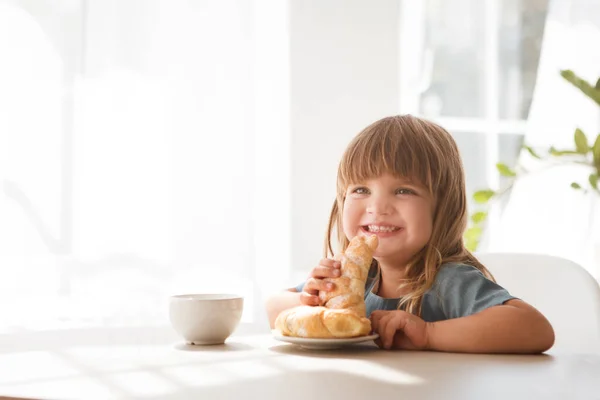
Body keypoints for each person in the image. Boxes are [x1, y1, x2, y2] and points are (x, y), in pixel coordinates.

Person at [265, 114, 555, 353]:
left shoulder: (445, 282)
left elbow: (535, 329)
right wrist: (312, 303)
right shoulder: (357, 279)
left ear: (442, 207)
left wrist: (428, 334)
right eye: (361, 190)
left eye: (404, 190)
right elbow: (273, 307)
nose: (377, 207)